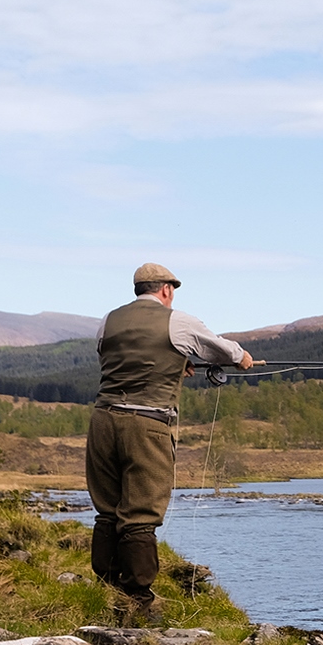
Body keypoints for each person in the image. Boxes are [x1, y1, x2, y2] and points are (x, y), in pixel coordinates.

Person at [90, 261, 260, 623]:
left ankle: (103, 590)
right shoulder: (177, 321)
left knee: (108, 508)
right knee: (140, 512)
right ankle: (136, 600)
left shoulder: (109, 320)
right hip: (147, 425)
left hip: (102, 421)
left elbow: (116, 359)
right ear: (166, 289)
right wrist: (242, 358)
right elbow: (224, 351)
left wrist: (174, 362)